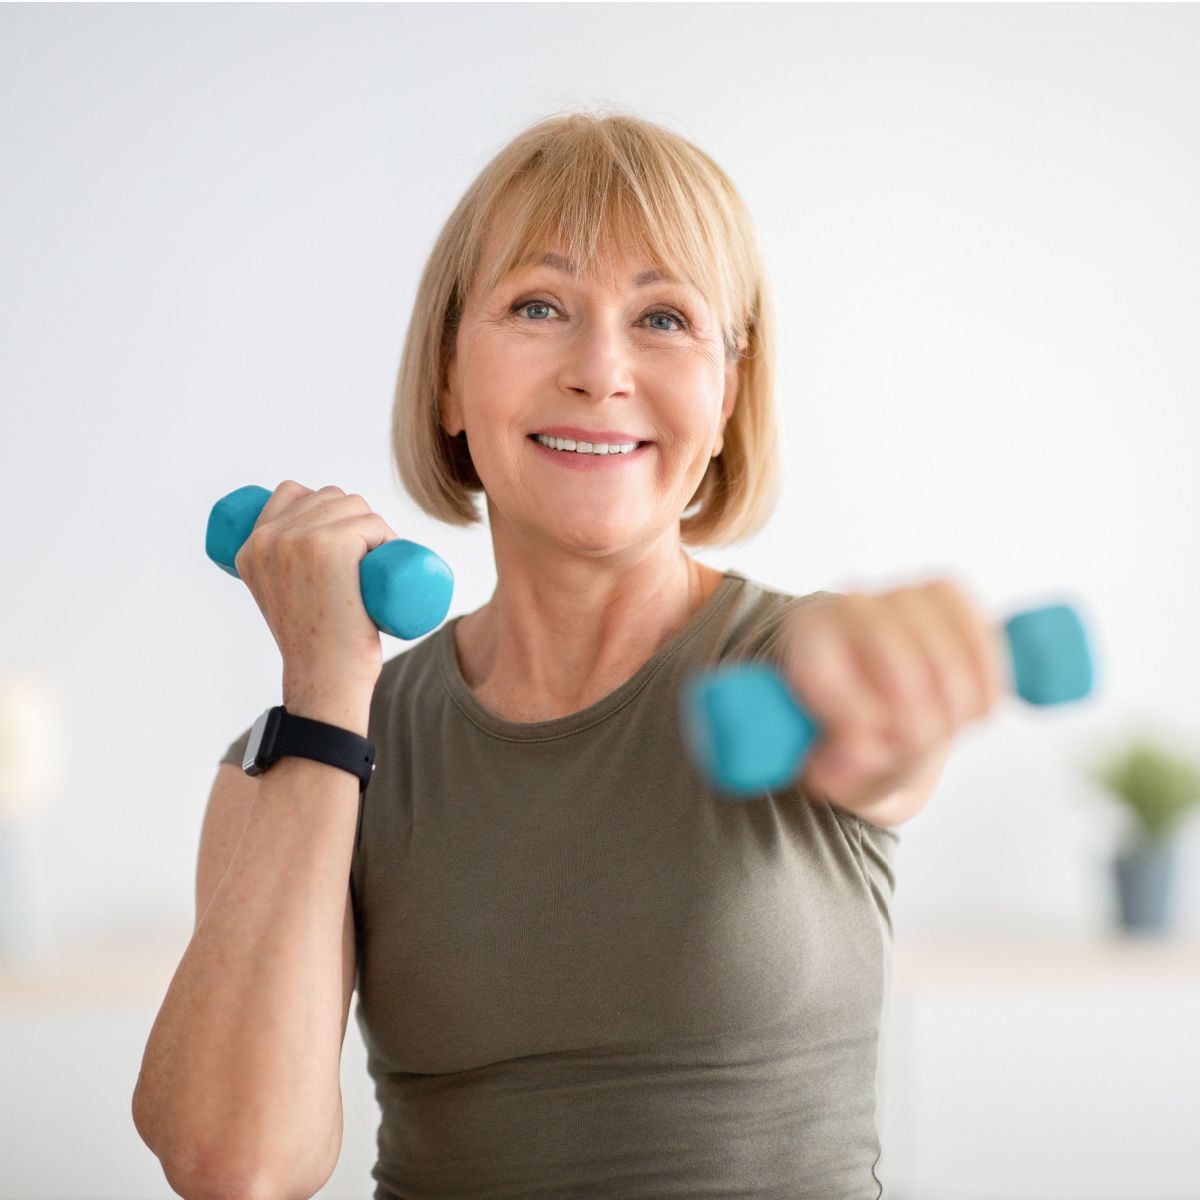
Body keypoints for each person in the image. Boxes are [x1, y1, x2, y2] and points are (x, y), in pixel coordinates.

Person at [134, 107, 906, 1200]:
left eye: (666, 319)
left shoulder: (810, 669)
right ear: (449, 378)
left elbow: (900, 728)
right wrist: (325, 691)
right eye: (538, 305)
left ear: (728, 399)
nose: (600, 370)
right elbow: (234, 1162)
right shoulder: (317, 746)